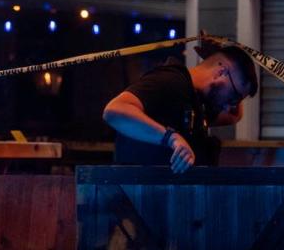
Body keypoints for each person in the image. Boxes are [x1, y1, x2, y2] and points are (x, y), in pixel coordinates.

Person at [103, 44, 258, 173]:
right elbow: (115, 111)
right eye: (233, 97)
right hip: (136, 199)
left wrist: (218, 55)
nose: (230, 106)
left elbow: (234, 117)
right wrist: (171, 138)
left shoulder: (197, 103)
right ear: (221, 72)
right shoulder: (171, 81)